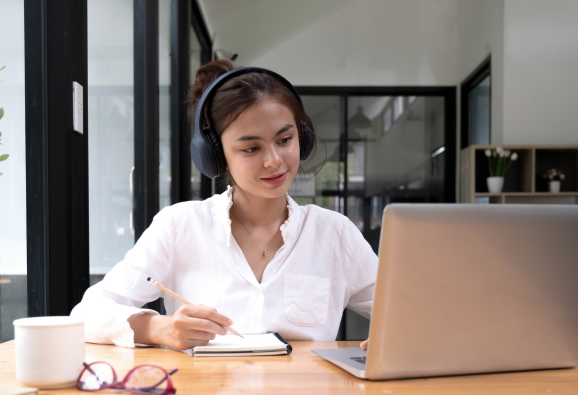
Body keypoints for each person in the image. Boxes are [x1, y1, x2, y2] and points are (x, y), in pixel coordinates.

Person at [71, 60, 377, 351]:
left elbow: (412, 315)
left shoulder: (334, 234)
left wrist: (394, 337)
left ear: (303, 137)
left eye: (284, 140)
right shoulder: (180, 226)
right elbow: (85, 315)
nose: (274, 160)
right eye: (251, 148)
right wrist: (160, 329)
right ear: (215, 156)